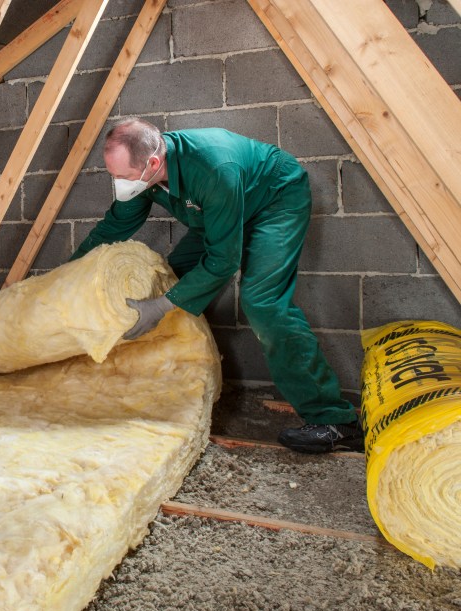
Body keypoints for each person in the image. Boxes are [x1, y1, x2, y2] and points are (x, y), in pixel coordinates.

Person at [72, 117, 360, 454]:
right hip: (220, 210)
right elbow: (116, 224)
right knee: (171, 279)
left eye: (122, 176)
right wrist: (69, 272)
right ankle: (167, 385)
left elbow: (223, 261)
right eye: (113, 175)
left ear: (153, 162)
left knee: (262, 302)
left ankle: (335, 421)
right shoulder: (145, 173)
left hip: (272, 201)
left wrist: (162, 306)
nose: (119, 183)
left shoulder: (213, 167)